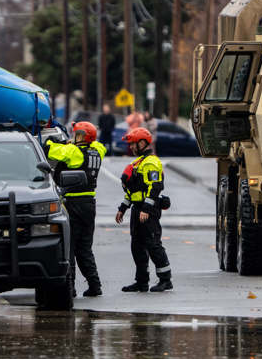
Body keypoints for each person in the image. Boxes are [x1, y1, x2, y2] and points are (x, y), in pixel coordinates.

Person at [44, 121, 107, 296]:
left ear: (81, 137)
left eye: (75, 134)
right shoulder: (98, 151)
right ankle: (95, 285)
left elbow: (50, 150)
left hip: (73, 204)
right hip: (89, 204)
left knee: (69, 246)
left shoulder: (73, 152)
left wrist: (51, 141)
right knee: (85, 248)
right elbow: (96, 143)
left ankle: (70, 287)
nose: (73, 137)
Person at [115, 127, 172, 292]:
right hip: (138, 209)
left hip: (149, 210)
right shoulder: (138, 162)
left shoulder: (151, 162)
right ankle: (141, 282)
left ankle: (165, 280)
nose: (131, 147)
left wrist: (146, 209)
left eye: (133, 144)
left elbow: (155, 187)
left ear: (142, 143)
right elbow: (133, 191)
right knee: (137, 246)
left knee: (153, 244)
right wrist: (123, 208)